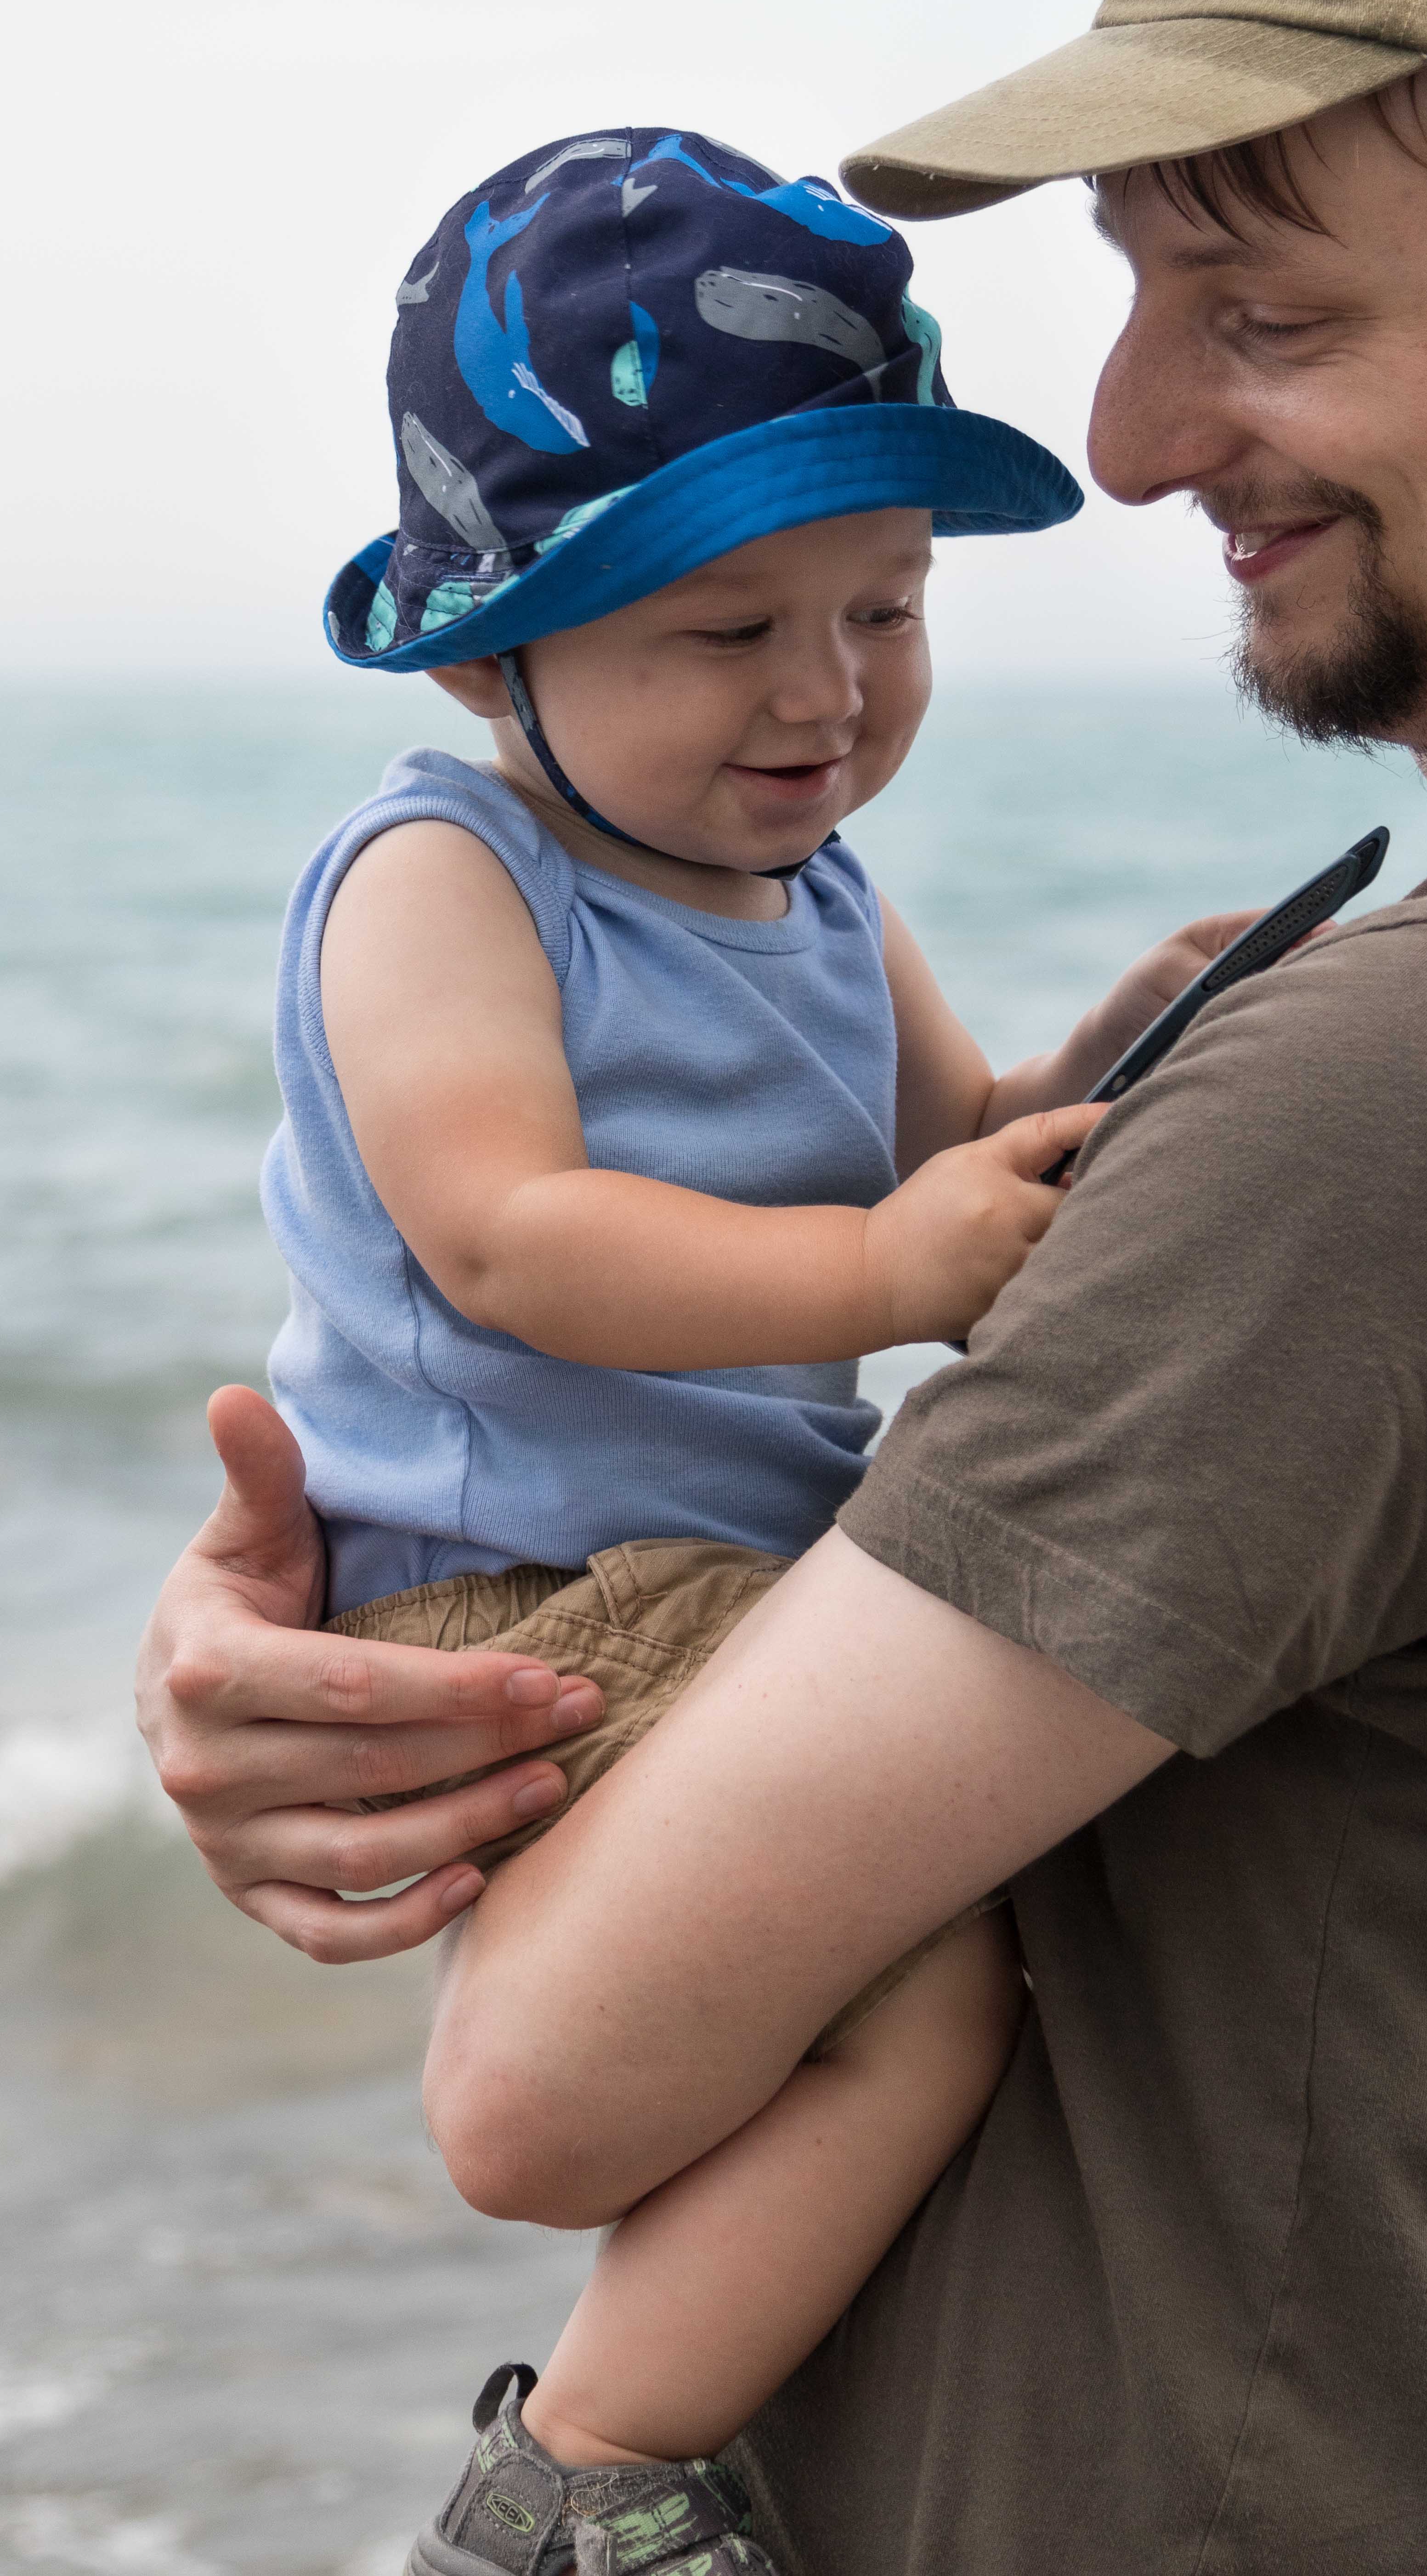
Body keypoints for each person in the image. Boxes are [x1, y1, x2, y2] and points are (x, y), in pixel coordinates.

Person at [138, 0, 1427, 2565]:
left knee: (867, 2014)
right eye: (1141, 302)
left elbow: (530, 2096)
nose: (1134, 439)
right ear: (499, 657)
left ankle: (556, 2494)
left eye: (1262, 314)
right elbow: (536, 1238)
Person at [255, 123, 1254, 2572]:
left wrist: (1144, 1039)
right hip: (527, 1587)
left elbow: (961, 1147)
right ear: (495, 649)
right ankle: (578, 2482)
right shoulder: (441, 876)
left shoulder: (811, 883)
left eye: (884, 611)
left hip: (720, 1577)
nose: (822, 696)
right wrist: (893, 1280)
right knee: (929, 2001)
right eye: (724, 632)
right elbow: (512, 1239)